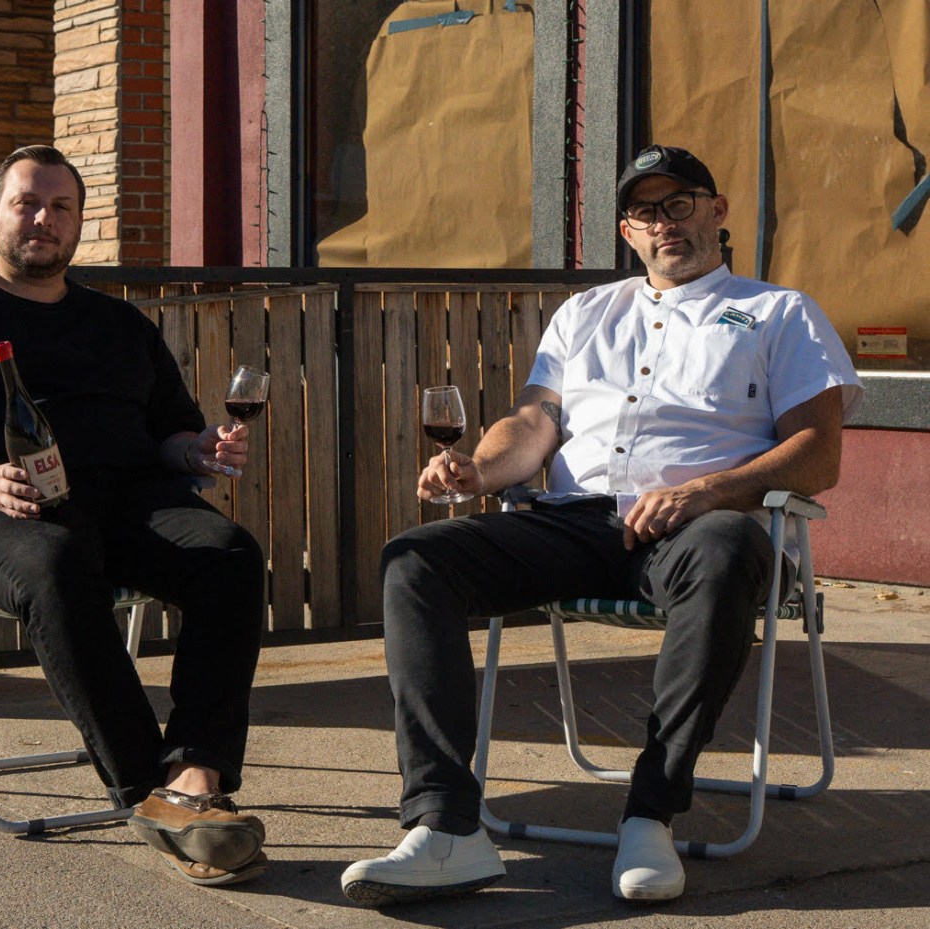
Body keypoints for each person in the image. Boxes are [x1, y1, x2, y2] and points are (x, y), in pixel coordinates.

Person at [341, 144, 862, 907]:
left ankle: (651, 813)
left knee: (723, 547)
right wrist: (478, 470)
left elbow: (819, 453)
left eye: (679, 203)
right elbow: (533, 422)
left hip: (704, 533)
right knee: (415, 560)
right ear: (627, 230)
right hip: (575, 522)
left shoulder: (778, 312)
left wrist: (708, 491)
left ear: (717, 211)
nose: (664, 222)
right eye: (646, 211)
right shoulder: (586, 314)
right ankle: (445, 826)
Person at [0, 145, 268, 887]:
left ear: (78, 224)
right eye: (27, 203)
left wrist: (198, 450)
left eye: (60, 207)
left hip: (129, 503)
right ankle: (147, 788)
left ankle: (196, 776)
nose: (43, 218)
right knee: (57, 562)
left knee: (229, 554)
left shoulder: (119, 324)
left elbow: (169, 433)